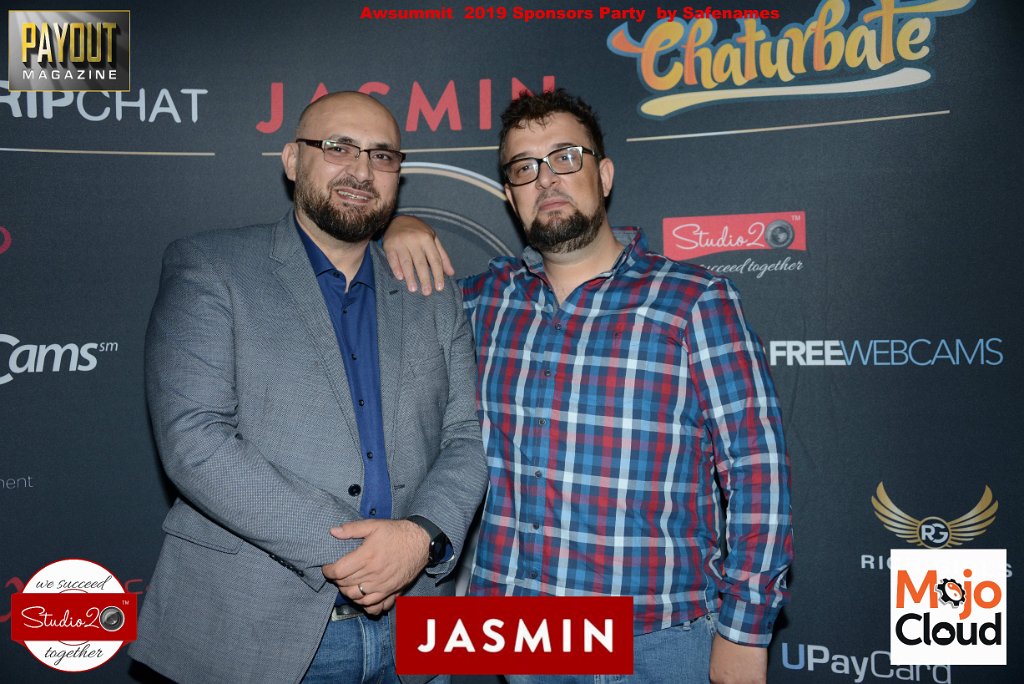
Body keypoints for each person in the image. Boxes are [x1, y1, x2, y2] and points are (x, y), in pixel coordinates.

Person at [383, 89, 794, 684]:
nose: (546, 179)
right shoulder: (478, 304)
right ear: (510, 195)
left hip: (652, 640)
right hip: (517, 640)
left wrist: (745, 631)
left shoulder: (693, 301)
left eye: (565, 157)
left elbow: (757, 469)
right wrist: (399, 225)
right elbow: (372, 303)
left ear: (603, 175)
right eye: (524, 167)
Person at [130, 91, 487, 684]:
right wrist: (359, 554)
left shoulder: (431, 291)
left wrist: (421, 537)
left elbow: (465, 437)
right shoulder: (212, 267)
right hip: (252, 632)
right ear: (293, 160)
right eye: (339, 147)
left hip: (413, 628)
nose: (361, 171)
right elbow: (194, 440)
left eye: (381, 155)